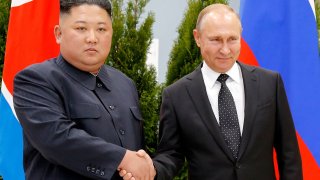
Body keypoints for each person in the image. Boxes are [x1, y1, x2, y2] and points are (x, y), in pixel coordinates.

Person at [150, 3, 302, 180]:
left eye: (232, 39)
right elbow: (171, 155)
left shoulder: (270, 83)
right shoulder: (176, 95)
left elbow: (289, 153)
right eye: (215, 40)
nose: (225, 49)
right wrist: (150, 170)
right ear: (197, 37)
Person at [13, 0, 155, 179]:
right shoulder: (35, 80)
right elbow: (57, 139)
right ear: (58, 33)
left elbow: (136, 148)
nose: (92, 38)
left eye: (101, 29)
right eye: (81, 28)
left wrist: (143, 165)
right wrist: (122, 159)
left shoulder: (125, 84)